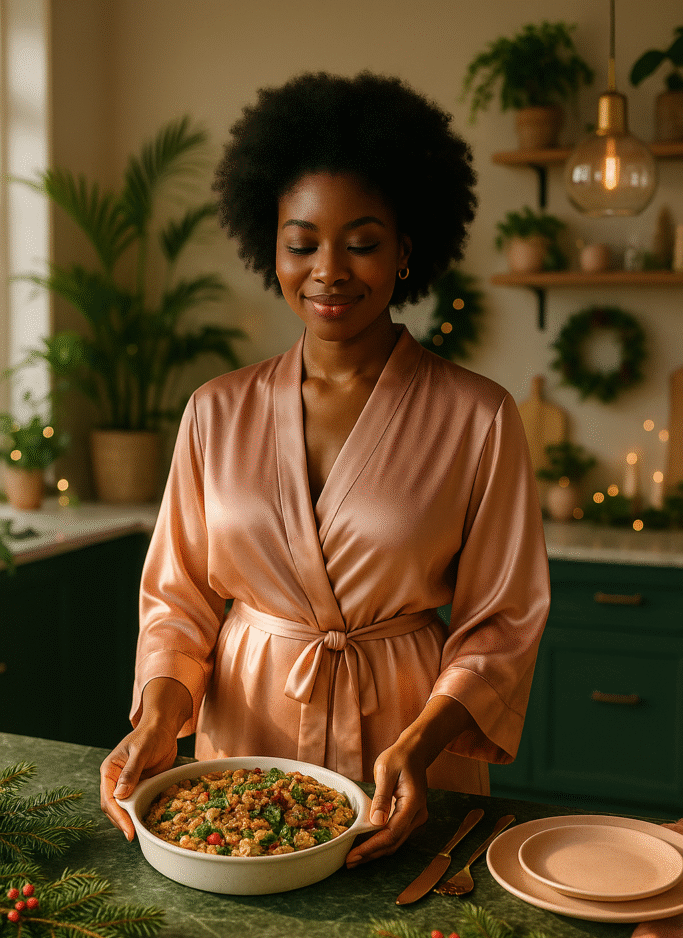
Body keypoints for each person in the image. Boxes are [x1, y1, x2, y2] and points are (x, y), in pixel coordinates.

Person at [101, 71, 550, 866]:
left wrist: (418, 746)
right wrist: (153, 723)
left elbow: (500, 623)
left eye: (363, 243)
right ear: (268, 245)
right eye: (301, 243)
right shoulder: (215, 411)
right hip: (243, 740)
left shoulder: (477, 416)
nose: (329, 271)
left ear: (407, 250)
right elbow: (179, 605)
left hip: (410, 744)